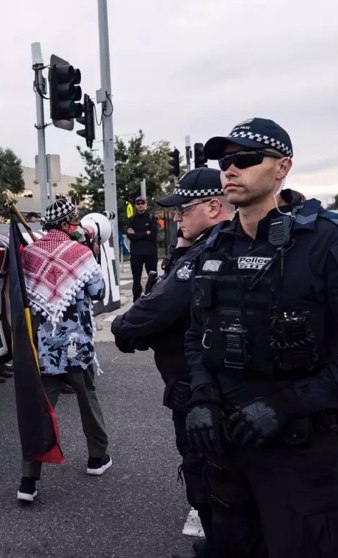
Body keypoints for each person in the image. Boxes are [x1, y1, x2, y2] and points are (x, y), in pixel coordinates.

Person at [183, 118, 338, 557]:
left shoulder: (329, 242)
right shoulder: (215, 246)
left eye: (245, 159)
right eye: (225, 161)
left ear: (282, 167)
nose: (230, 169)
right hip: (228, 443)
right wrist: (203, 397)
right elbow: (197, 334)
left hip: (299, 445)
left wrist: (289, 404)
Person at [111, 167, 232, 558]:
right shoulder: (216, 244)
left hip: (199, 383)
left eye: (184, 209)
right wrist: (181, 244)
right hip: (211, 378)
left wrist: (123, 327)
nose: (176, 217)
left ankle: (221, 544)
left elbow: (162, 303)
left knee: (208, 469)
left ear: (214, 207)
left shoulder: (211, 250)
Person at [17, 198, 111, 504]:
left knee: (41, 411)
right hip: (77, 347)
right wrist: (90, 252)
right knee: (88, 402)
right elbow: (99, 292)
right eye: (74, 222)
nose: (77, 227)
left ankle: (28, 480)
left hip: (44, 348)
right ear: (65, 224)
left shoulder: (30, 253)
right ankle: (97, 458)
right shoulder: (80, 253)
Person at [126, 195, 159, 301]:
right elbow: (130, 236)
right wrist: (145, 233)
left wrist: (137, 234)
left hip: (150, 253)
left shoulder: (151, 218)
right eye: (138, 204)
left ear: (146, 205)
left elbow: (153, 235)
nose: (140, 206)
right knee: (136, 279)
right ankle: (136, 301)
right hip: (136, 253)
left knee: (153, 277)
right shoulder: (132, 219)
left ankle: (153, 299)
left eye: (142, 203)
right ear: (135, 206)